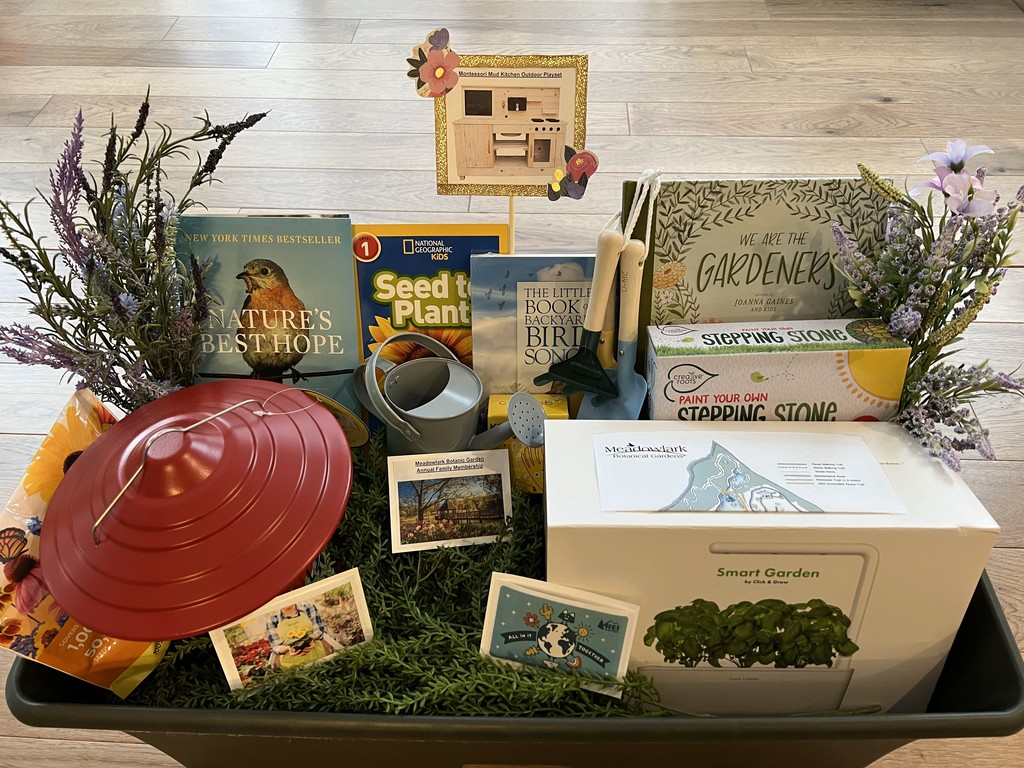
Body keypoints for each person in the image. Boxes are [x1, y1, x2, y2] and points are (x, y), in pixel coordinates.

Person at [265, 602, 340, 670]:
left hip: (318, 660)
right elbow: (275, 646)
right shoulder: (272, 620)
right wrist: (288, 648)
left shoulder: (308, 608)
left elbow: (318, 630)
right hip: (293, 668)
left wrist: (311, 640)